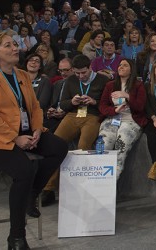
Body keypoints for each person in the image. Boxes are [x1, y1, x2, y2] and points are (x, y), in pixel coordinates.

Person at [0, 32, 67, 250]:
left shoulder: (21, 74)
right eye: (8, 45)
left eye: (14, 44)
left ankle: (32, 193)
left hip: (25, 131)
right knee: (24, 170)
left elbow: (35, 107)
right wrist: (15, 138)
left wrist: (38, 129)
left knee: (58, 147)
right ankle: (16, 237)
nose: (15, 48)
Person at [41, 54, 109, 206]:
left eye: (83, 72)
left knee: (83, 146)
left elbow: (107, 106)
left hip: (92, 116)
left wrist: (94, 102)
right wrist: (71, 101)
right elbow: (63, 104)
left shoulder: (103, 80)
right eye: (77, 73)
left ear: (90, 67)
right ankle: (48, 188)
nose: (80, 76)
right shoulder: (71, 80)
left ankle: (81, 187)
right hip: (73, 115)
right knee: (54, 145)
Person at [98, 59, 147, 180]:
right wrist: (114, 111)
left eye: (125, 65)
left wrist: (127, 96)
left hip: (130, 120)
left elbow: (141, 107)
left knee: (121, 148)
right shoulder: (110, 85)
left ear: (131, 70)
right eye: (120, 65)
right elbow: (102, 106)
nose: (121, 67)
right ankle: (99, 182)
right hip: (112, 119)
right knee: (104, 146)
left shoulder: (138, 85)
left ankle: (112, 184)